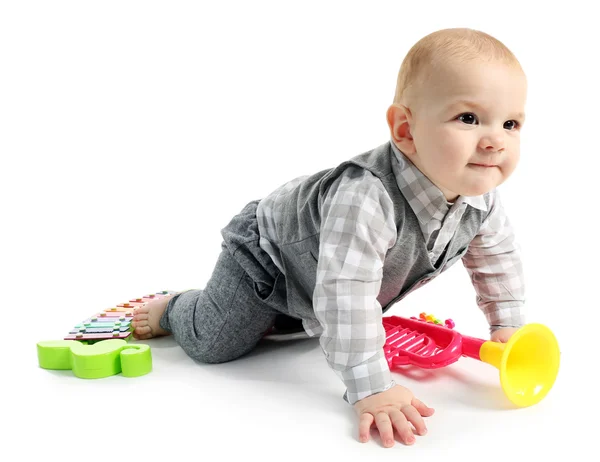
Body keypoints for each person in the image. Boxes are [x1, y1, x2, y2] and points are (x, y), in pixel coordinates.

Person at [131, 27, 527, 448]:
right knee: (215, 342)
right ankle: (176, 308)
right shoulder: (367, 197)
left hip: (318, 279)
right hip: (268, 259)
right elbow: (346, 293)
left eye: (510, 123)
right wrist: (371, 387)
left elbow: (496, 258)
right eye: (469, 118)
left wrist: (508, 326)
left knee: (308, 328)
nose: (495, 141)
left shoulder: (481, 198)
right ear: (406, 130)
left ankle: (285, 317)